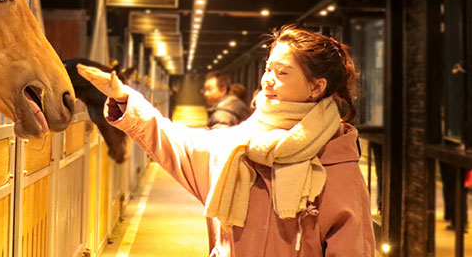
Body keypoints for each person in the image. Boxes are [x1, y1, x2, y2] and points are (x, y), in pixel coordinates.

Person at [77, 24, 374, 256]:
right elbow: (173, 141)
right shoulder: (237, 146)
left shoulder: (335, 164)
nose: (268, 79)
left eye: (282, 72)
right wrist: (123, 98)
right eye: (268, 68)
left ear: (316, 86)